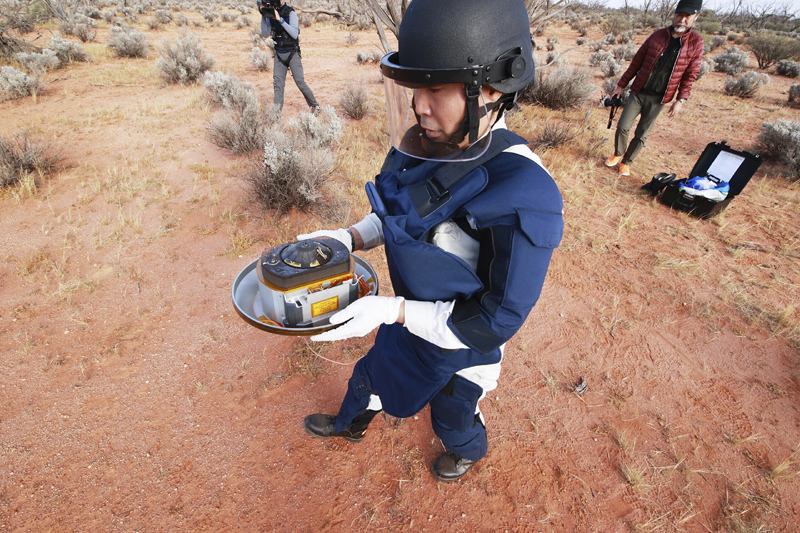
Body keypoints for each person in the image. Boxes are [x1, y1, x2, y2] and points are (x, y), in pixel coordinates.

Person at [297, 0, 564, 483]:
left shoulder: (526, 192)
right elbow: (398, 215)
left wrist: (392, 310)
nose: (420, 105)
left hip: (462, 348)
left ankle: (468, 449)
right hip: (408, 318)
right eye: (414, 88)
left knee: (452, 415)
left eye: (436, 89)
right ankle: (350, 424)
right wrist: (350, 237)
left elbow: (491, 321)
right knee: (371, 376)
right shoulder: (425, 141)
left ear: (488, 88)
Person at [605, 0, 705, 177]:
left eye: (687, 16)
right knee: (622, 126)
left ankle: (627, 162)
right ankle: (618, 152)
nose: (682, 20)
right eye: (679, 15)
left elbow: (690, 75)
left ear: (695, 17)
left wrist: (680, 100)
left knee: (642, 133)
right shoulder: (658, 36)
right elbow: (636, 62)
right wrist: (621, 85)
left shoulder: (696, 43)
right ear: (674, 15)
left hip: (660, 98)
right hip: (638, 91)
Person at [257, 0, 319, 115]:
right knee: (278, 84)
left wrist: (279, 19)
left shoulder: (291, 13)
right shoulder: (272, 13)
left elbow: (294, 34)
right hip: (279, 54)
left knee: (300, 82)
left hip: (292, 53)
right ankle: (276, 114)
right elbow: (265, 33)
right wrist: (264, 15)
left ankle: (315, 106)